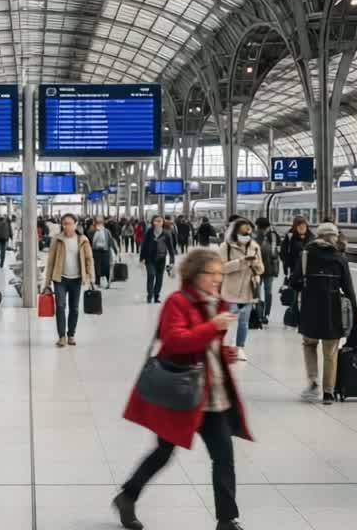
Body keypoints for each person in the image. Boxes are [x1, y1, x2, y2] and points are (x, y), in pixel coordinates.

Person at [115, 248, 250, 530]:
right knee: (164, 452)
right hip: (183, 394)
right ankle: (128, 496)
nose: (216, 279)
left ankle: (227, 520)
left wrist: (225, 354)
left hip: (212, 395)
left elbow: (207, 347)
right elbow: (175, 341)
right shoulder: (177, 302)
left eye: (219, 273)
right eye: (210, 273)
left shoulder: (219, 303)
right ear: (193, 274)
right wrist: (213, 327)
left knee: (223, 457)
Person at [297, 223, 357, 405]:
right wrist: (355, 312)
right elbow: (349, 289)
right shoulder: (339, 258)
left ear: (318, 236)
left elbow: (295, 281)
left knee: (309, 344)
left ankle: (313, 380)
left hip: (310, 309)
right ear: (334, 237)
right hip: (333, 310)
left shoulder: (306, 255)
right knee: (330, 352)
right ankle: (328, 393)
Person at [42, 214, 95, 347]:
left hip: (76, 279)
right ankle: (61, 336)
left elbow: (89, 259)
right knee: (60, 306)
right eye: (64, 223)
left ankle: (71, 334)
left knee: (75, 308)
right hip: (60, 278)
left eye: (70, 223)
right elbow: (51, 262)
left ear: (76, 224)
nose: (67, 226)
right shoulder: (57, 239)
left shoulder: (83, 240)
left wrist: (91, 277)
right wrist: (47, 282)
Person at [218, 218, 263, 361]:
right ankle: (220, 346)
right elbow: (221, 268)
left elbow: (261, 269)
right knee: (226, 321)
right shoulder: (226, 246)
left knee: (243, 322)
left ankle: (240, 348)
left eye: (248, 230)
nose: (246, 233)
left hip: (248, 289)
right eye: (243, 230)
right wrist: (240, 262)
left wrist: (255, 263)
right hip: (230, 290)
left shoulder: (255, 246)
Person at [140, 216, 177, 303]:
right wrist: (142, 258)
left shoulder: (166, 234)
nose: (158, 222)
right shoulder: (149, 232)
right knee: (151, 275)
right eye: (156, 221)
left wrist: (172, 261)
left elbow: (171, 249)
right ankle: (150, 295)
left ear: (162, 223)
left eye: (160, 221)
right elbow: (144, 246)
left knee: (159, 278)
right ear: (153, 222)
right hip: (149, 259)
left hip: (161, 259)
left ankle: (156, 296)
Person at [255, 217, 281, 323]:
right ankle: (265, 314)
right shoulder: (274, 235)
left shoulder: (257, 235)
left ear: (259, 226)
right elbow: (275, 253)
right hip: (269, 268)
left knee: (257, 291)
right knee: (268, 292)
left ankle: (260, 313)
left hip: (259, 268)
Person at [281, 216, 311, 294]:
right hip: (294, 270)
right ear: (295, 227)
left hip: (309, 270)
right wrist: (287, 265)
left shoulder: (311, 238)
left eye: (304, 226)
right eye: (299, 226)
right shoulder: (290, 238)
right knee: (295, 292)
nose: (302, 228)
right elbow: (283, 253)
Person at [88, 217, 117, 289]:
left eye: (100, 223)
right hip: (95, 251)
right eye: (98, 223)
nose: (99, 225)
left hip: (105, 251)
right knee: (96, 267)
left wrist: (115, 250)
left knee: (106, 266)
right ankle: (97, 282)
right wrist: (93, 230)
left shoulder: (106, 231)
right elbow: (89, 238)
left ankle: (108, 281)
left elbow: (110, 240)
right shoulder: (93, 231)